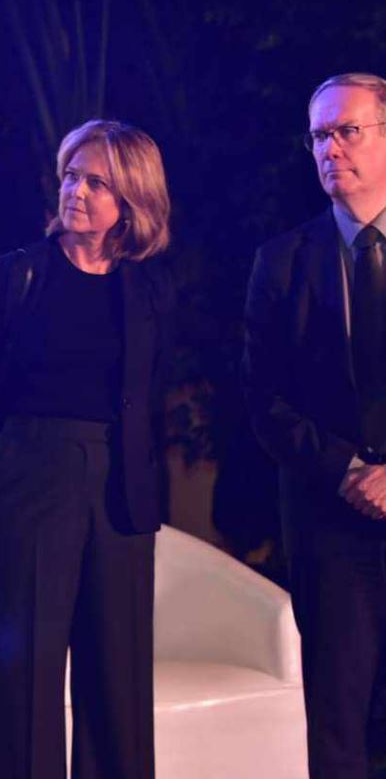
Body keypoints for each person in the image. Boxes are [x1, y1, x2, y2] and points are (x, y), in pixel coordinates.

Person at [0, 119, 174, 779]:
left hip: (120, 488)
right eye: (71, 176)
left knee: (120, 682)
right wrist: (8, 478)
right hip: (29, 475)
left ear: (132, 199)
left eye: (96, 182)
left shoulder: (149, 290)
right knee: (20, 685)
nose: (76, 191)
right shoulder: (6, 278)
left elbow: (153, 398)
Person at [243, 72, 386, 778]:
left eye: (347, 131)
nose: (331, 149)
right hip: (330, 524)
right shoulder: (282, 262)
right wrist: (353, 471)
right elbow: (264, 400)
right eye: (319, 136)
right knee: (337, 726)